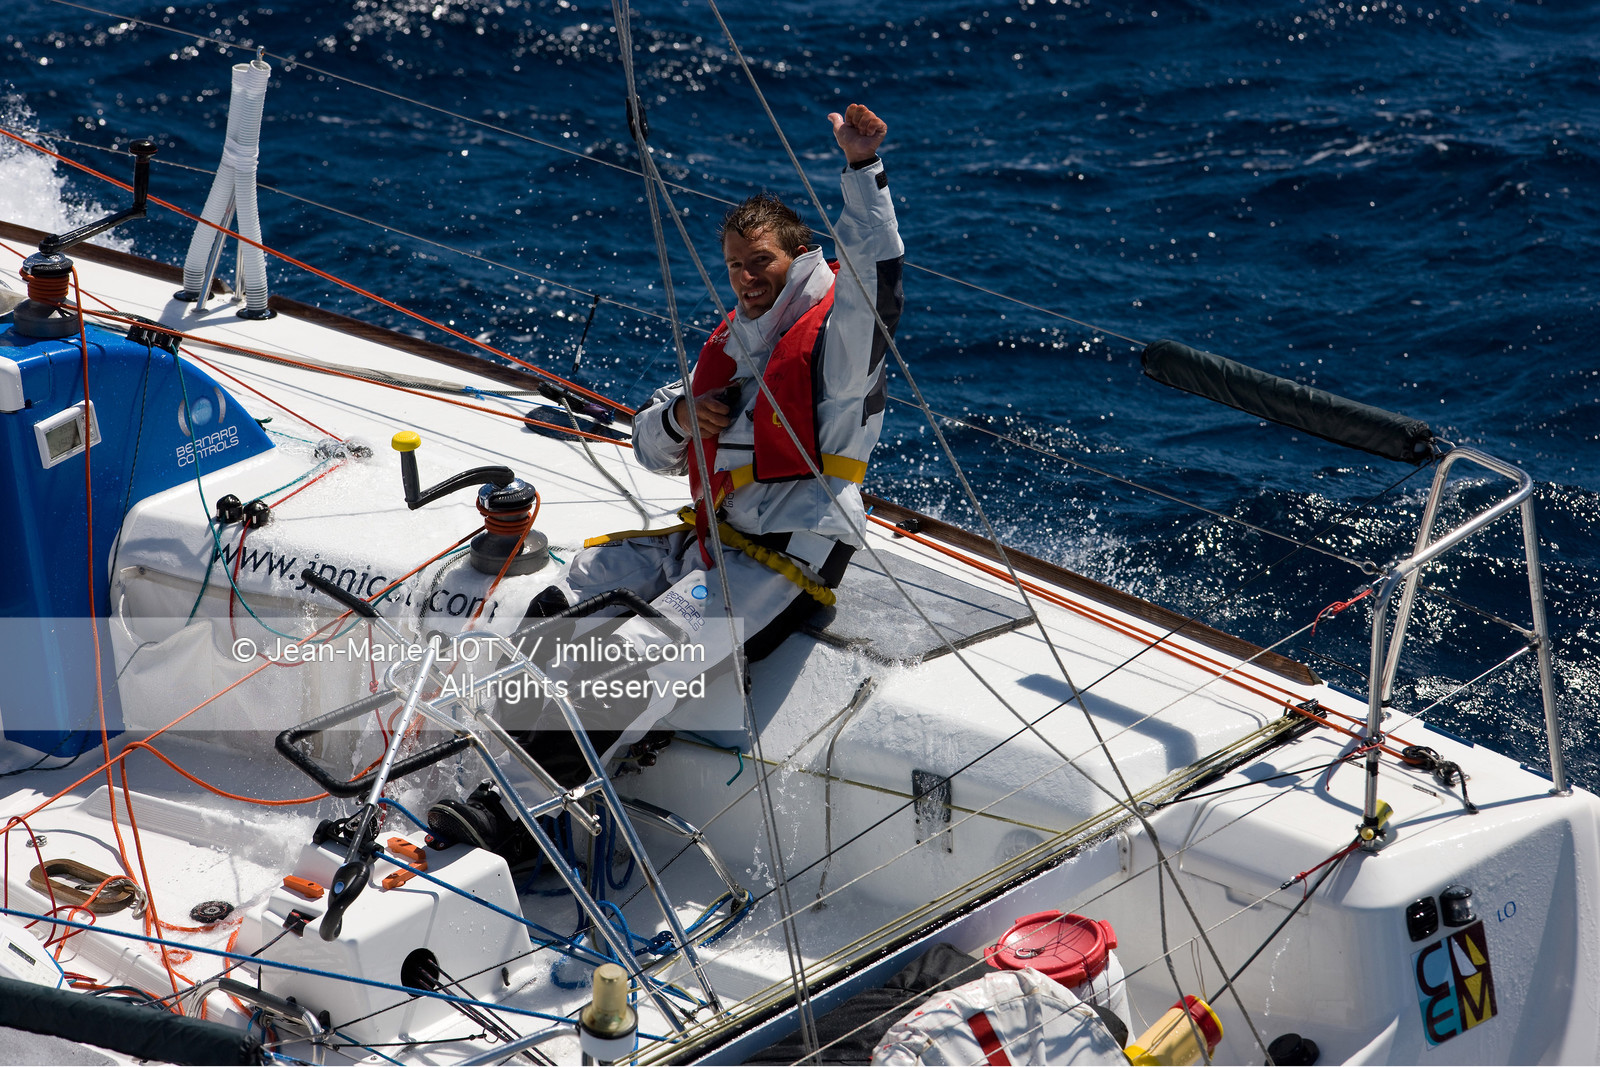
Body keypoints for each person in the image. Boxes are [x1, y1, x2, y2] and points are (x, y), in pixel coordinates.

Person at [429, 104, 902, 851]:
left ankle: (525, 815)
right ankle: (494, 759)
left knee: (628, 653)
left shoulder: (839, 340)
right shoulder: (736, 337)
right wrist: (683, 418)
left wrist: (861, 171)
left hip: (779, 558)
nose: (748, 279)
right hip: (710, 542)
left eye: (763, 263)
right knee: (566, 595)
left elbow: (874, 268)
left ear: (799, 256)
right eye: (737, 266)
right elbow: (650, 447)